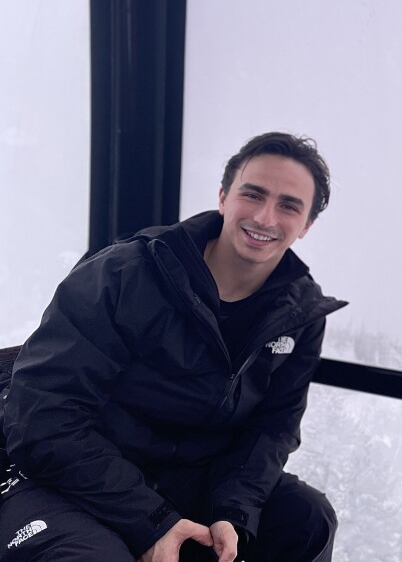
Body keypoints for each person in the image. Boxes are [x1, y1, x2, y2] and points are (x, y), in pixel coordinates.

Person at [0, 132, 346, 561]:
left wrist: (232, 512)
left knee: (307, 518)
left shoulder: (299, 314)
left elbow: (272, 431)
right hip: (74, 478)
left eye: (289, 205)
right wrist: (151, 521)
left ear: (307, 224)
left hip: (189, 480)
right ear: (223, 197)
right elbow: (42, 418)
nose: (264, 216)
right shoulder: (124, 275)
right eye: (252, 194)